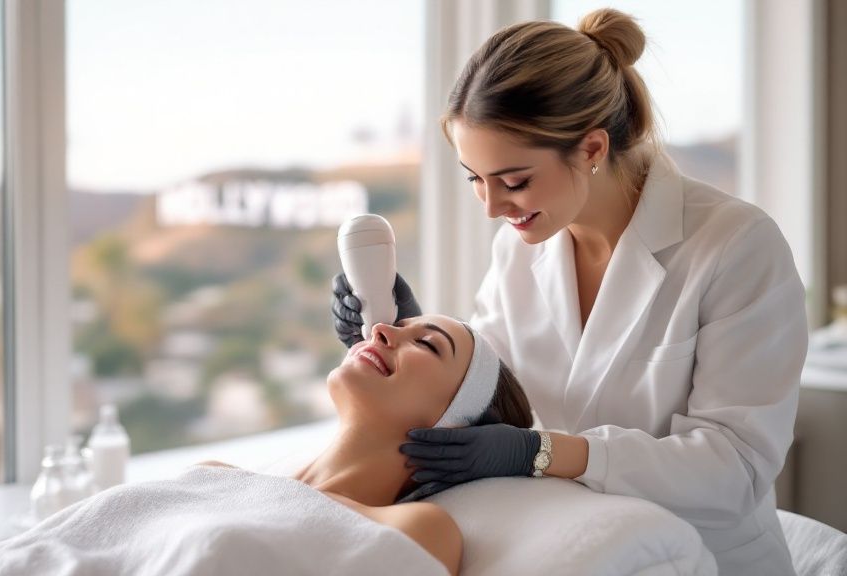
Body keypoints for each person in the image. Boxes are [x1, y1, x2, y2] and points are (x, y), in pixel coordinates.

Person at [331, 9, 807, 576]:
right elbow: (496, 394)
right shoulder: (521, 246)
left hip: (703, 558)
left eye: (513, 181)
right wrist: (412, 335)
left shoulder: (735, 246)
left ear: (591, 149)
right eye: (474, 179)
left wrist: (545, 454)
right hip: (575, 546)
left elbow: (736, 467)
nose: (491, 208)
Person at [0, 315, 534, 576]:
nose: (380, 330)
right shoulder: (214, 473)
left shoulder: (420, 528)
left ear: (457, 430)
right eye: (398, 325)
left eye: (426, 345)